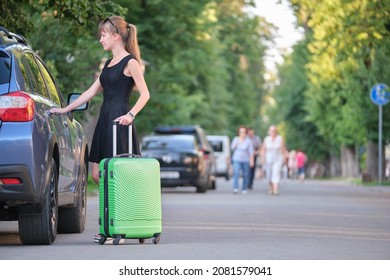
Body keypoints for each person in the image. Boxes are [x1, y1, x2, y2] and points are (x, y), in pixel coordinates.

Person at [50, 16, 150, 184]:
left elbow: (145, 94)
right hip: (104, 119)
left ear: (115, 36)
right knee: (97, 174)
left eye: (104, 35)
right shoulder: (108, 64)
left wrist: (131, 115)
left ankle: (120, 209)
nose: (101, 40)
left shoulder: (130, 62)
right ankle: (111, 209)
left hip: (120, 119)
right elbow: (89, 92)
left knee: (118, 174)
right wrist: (65, 109)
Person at [260, 125, 288, 195]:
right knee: (269, 174)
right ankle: (270, 188)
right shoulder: (267, 139)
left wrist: (284, 159)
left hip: (278, 159)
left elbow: (283, 150)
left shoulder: (280, 139)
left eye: (274, 131)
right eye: (271, 131)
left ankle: (275, 190)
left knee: (276, 173)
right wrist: (262, 159)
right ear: (269, 132)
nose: (273, 133)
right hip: (268, 159)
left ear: (277, 132)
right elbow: (263, 150)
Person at [230, 126, 255, 194]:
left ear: (246, 133)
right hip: (236, 159)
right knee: (236, 172)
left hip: (245, 159)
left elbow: (251, 152)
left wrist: (251, 161)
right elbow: (232, 148)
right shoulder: (236, 139)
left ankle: (244, 188)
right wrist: (237, 142)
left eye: (243, 132)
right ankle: (235, 187)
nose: (242, 134)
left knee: (245, 174)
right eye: (240, 132)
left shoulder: (248, 141)